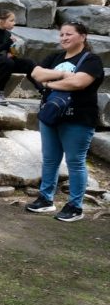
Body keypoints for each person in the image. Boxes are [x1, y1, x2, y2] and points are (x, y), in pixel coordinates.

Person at [26, 21, 104, 223]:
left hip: (78, 118)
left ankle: (75, 206)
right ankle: (46, 198)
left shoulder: (91, 60)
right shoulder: (56, 57)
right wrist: (62, 74)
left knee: (75, 162)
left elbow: (79, 82)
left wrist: (49, 83)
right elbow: (35, 74)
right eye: (61, 35)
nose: (64, 38)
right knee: (50, 159)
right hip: (51, 115)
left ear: (83, 36)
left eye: (69, 34)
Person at [0, 9, 37, 105]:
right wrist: (6, 45)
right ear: (1, 21)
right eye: (11, 20)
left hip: (2, 60)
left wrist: (14, 51)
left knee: (29, 63)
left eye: (14, 21)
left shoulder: (7, 34)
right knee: (8, 62)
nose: (14, 23)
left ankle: (43, 91)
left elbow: (9, 52)